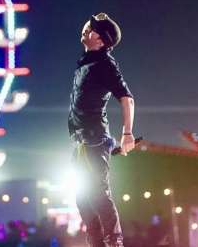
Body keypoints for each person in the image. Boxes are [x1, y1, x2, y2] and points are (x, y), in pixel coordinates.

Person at [69, 13, 135, 247]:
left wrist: (127, 134)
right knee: (82, 198)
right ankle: (97, 243)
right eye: (87, 26)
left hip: (94, 140)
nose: (86, 30)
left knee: (98, 193)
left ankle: (114, 243)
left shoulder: (104, 64)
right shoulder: (86, 61)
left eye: (92, 29)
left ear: (102, 40)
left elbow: (127, 99)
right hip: (80, 142)